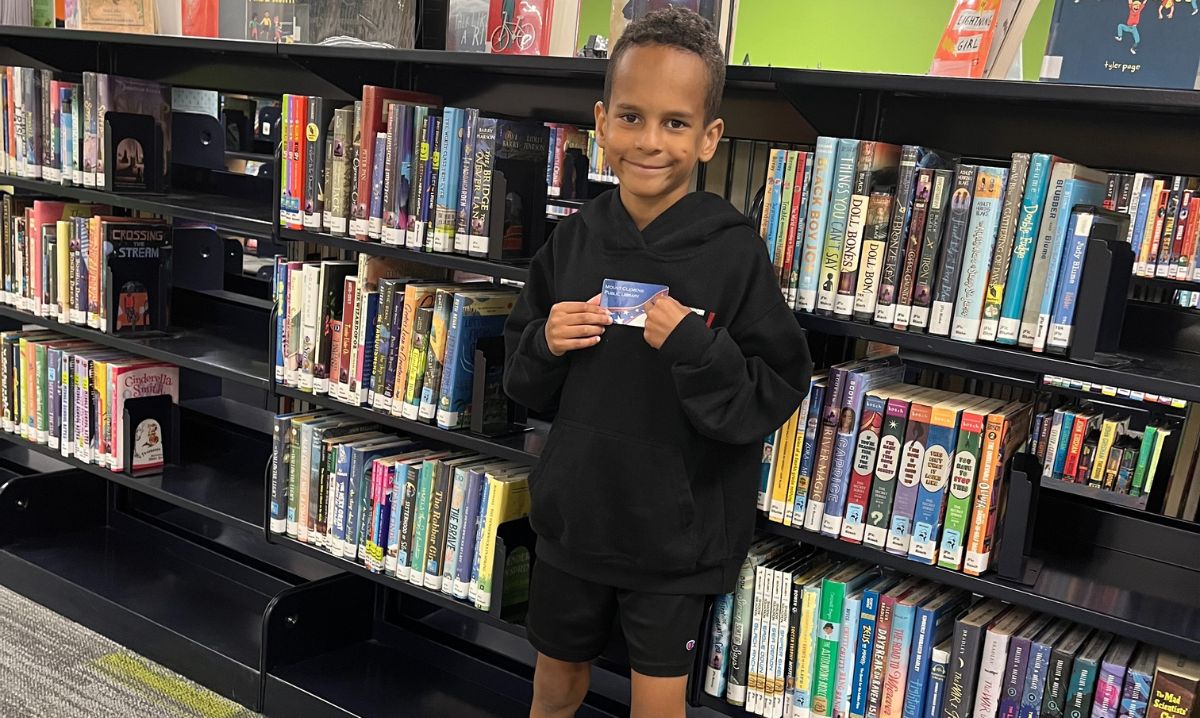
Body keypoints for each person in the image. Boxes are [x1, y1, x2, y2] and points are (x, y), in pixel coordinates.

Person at [503, 8, 813, 718]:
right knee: (553, 686)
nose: (650, 141)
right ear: (602, 123)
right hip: (576, 523)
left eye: (675, 123)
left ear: (708, 139)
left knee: (659, 703)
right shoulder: (573, 242)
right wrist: (546, 342)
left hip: (677, 539)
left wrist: (700, 350)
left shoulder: (735, 254)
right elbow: (524, 383)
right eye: (633, 118)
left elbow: (775, 388)